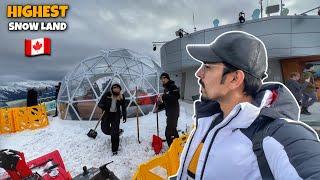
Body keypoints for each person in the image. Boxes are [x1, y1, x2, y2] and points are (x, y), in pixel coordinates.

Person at [171, 31, 320, 180]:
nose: (198, 73)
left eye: (208, 66)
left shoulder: (277, 134)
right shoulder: (210, 120)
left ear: (235, 78)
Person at [98, 83, 127, 155]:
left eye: (117, 88)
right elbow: (100, 104)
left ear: (120, 89)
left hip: (115, 115)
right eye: (114, 87)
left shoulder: (121, 96)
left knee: (114, 133)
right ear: (112, 89)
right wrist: (105, 107)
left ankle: (114, 150)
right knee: (104, 129)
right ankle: (117, 132)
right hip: (106, 114)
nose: (116, 89)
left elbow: (123, 107)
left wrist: (124, 115)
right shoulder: (107, 94)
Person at [157, 72, 180, 147]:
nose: (163, 80)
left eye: (164, 78)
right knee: (173, 130)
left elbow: (176, 97)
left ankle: (171, 147)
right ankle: (177, 145)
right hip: (170, 112)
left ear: (168, 78)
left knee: (168, 132)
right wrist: (159, 106)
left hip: (174, 112)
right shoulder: (166, 89)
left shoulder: (173, 86)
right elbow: (166, 102)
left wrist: (164, 96)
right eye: (161, 79)